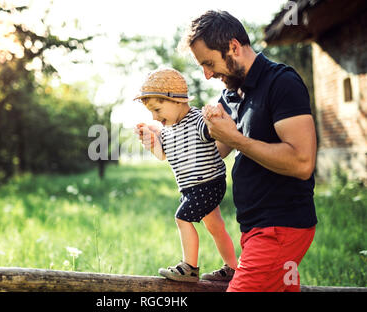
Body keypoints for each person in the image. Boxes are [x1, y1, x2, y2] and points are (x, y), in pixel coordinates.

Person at [182, 10, 318, 291]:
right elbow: (217, 149)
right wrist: (167, 132)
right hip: (254, 229)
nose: (207, 75)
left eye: (209, 63)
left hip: (281, 228)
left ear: (233, 47)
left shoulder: (282, 82)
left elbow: (302, 162)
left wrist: (237, 139)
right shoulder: (231, 94)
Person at [134, 68, 238, 282]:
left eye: (157, 109)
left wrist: (215, 116)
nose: (154, 116)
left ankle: (189, 268)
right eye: (151, 112)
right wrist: (151, 142)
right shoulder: (169, 129)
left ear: (178, 100)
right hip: (192, 187)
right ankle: (234, 268)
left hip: (208, 183)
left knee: (182, 218)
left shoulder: (197, 120)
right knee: (216, 226)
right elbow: (163, 155)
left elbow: (215, 130)